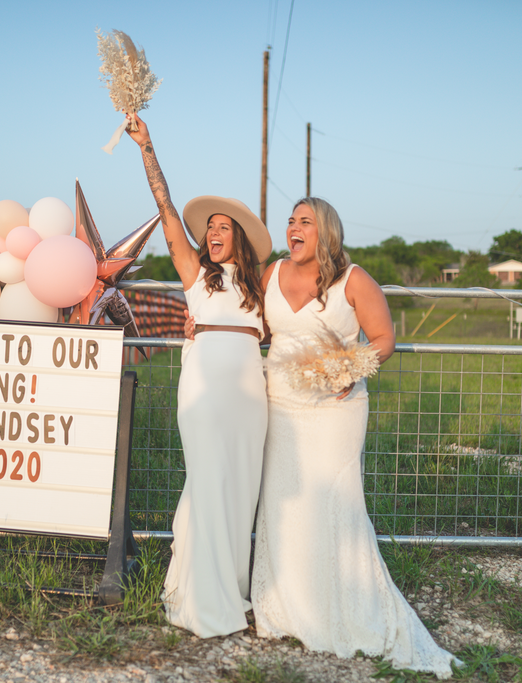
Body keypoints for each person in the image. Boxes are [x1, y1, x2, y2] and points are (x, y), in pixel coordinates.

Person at [250, 197, 461, 677]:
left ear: (326, 231)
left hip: (335, 410)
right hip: (279, 407)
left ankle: (343, 606)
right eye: (290, 221)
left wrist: (352, 368)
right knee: (285, 500)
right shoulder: (271, 274)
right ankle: (284, 603)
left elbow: (383, 338)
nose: (293, 227)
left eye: (304, 221)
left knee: (333, 503)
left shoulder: (355, 280)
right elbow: (257, 329)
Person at [127, 113, 272, 638]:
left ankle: (227, 586)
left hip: (252, 400)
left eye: (222, 227)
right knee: (209, 480)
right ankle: (205, 600)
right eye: (209, 227)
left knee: (238, 488)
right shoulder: (195, 275)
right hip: (205, 393)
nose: (212, 232)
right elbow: (166, 212)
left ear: (239, 240)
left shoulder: (262, 287)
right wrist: (148, 148)